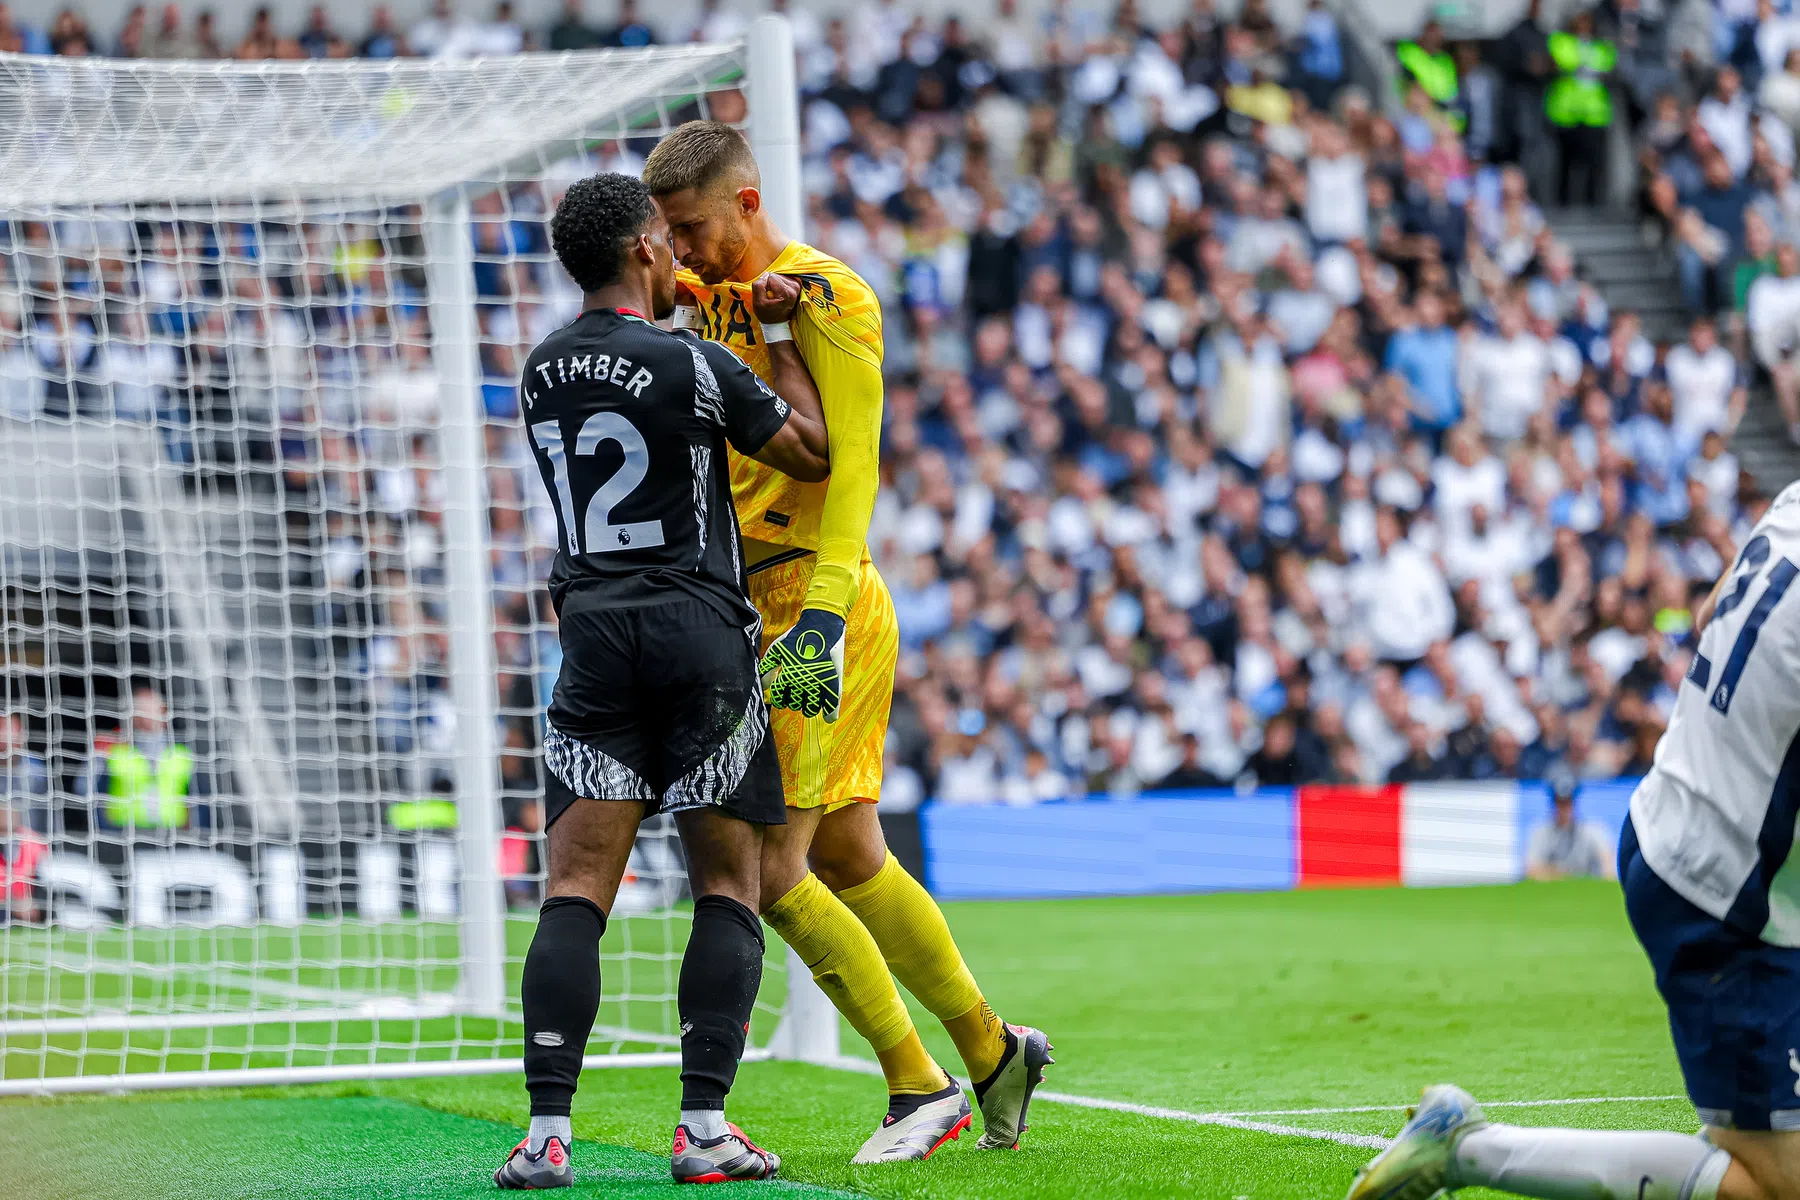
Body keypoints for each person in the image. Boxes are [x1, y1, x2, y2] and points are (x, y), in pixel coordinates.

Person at [643, 121, 1052, 1163]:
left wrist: (819, 619)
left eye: (694, 228)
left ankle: (917, 1084)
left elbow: (851, 467)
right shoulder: (711, 293)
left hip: (814, 604)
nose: (683, 250)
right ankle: (992, 1049)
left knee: (773, 870)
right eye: (670, 235)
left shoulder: (830, 294)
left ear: (746, 203)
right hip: (760, 603)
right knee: (847, 848)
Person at [493, 172, 831, 1189]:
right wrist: (772, 337)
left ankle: (547, 1137)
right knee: (729, 884)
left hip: (591, 634)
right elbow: (811, 454)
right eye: (670, 245)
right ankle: (704, 1129)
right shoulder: (690, 363)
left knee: (574, 893)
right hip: (696, 632)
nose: (684, 258)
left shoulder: (540, 372)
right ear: (645, 249)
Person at [1348, 480, 1800, 1200]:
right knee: (1774, 1191)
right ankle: (1466, 1148)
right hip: (1727, 893)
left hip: (1680, 818)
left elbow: (1712, 610)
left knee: (1746, 1142)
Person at [1544, 10, 1616, 206]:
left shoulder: (1601, 47)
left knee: (1593, 165)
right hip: (1566, 113)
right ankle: (1563, 204)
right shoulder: (1561, 41)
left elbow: (1609, 69)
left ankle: (1592, 205)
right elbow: (1559, 63)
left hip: (1594, 115)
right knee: (1565, 164)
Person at [1524, 774, 1616, 880]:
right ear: (1553, 803)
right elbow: (1530, 871)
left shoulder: (1593, 831)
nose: (1564, 809)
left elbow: (1608, 867)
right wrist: (1563, 873)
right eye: (1560, 803)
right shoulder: (1540, 832)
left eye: (1567, 803)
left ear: (1573, 802)